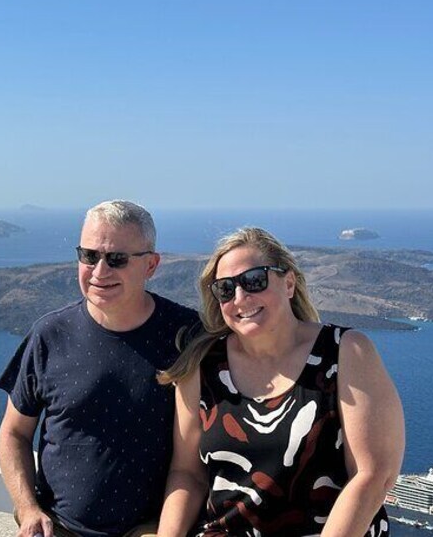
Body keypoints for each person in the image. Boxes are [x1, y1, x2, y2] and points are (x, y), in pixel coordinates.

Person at [157, 227, 404, 537]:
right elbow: (187, 474)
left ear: (289, 283)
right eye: (225, 289)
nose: (241, 297)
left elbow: (373, 476)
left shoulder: (346, 352)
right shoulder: (202, 365)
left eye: (254, 281)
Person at [0, 200, 200, 537]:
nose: (99, 271)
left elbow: (191, 463)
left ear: (151, 265)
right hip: (60, 528)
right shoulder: (50, 334)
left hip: (150, 530)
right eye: (89, 256)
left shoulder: (186, 336)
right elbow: (14, 433)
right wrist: (27, 507)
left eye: (117, 259)